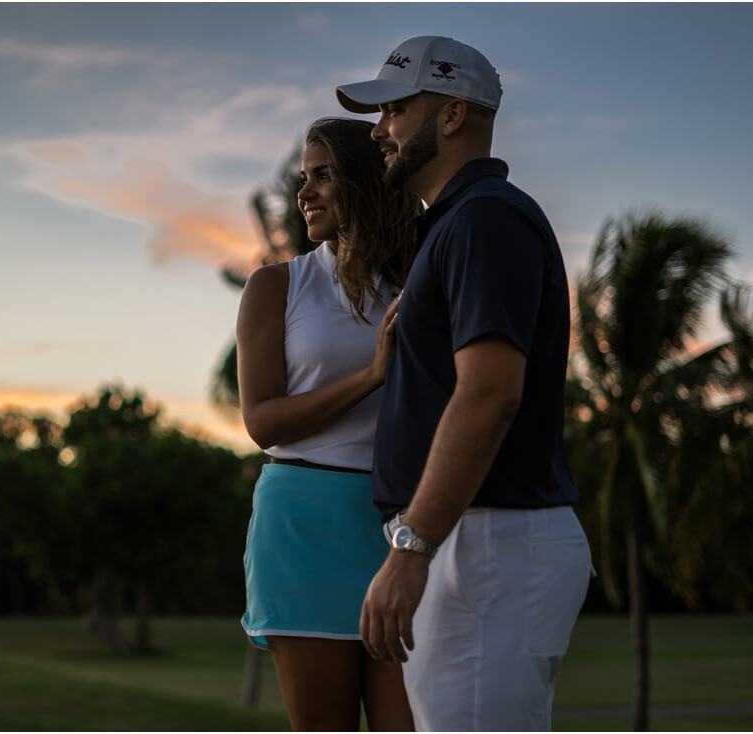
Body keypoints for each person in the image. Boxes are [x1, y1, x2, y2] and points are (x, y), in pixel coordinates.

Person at [335, 36, 593, 731]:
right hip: (475, 543)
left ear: (452, 115)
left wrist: (411, 550)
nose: (379, 129)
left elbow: (489, 393)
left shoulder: (484, 218)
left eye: (393, 109)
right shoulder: (457, 224)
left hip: (486, 544)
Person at [238, 116, 422, 731]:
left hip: (399, 526)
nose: (305, 193)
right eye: (303, 178)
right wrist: (371, 374)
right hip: (304, 528)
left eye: (325, 176)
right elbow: (261, 421)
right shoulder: (276, 286)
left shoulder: (420, 281)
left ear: (369, 183)